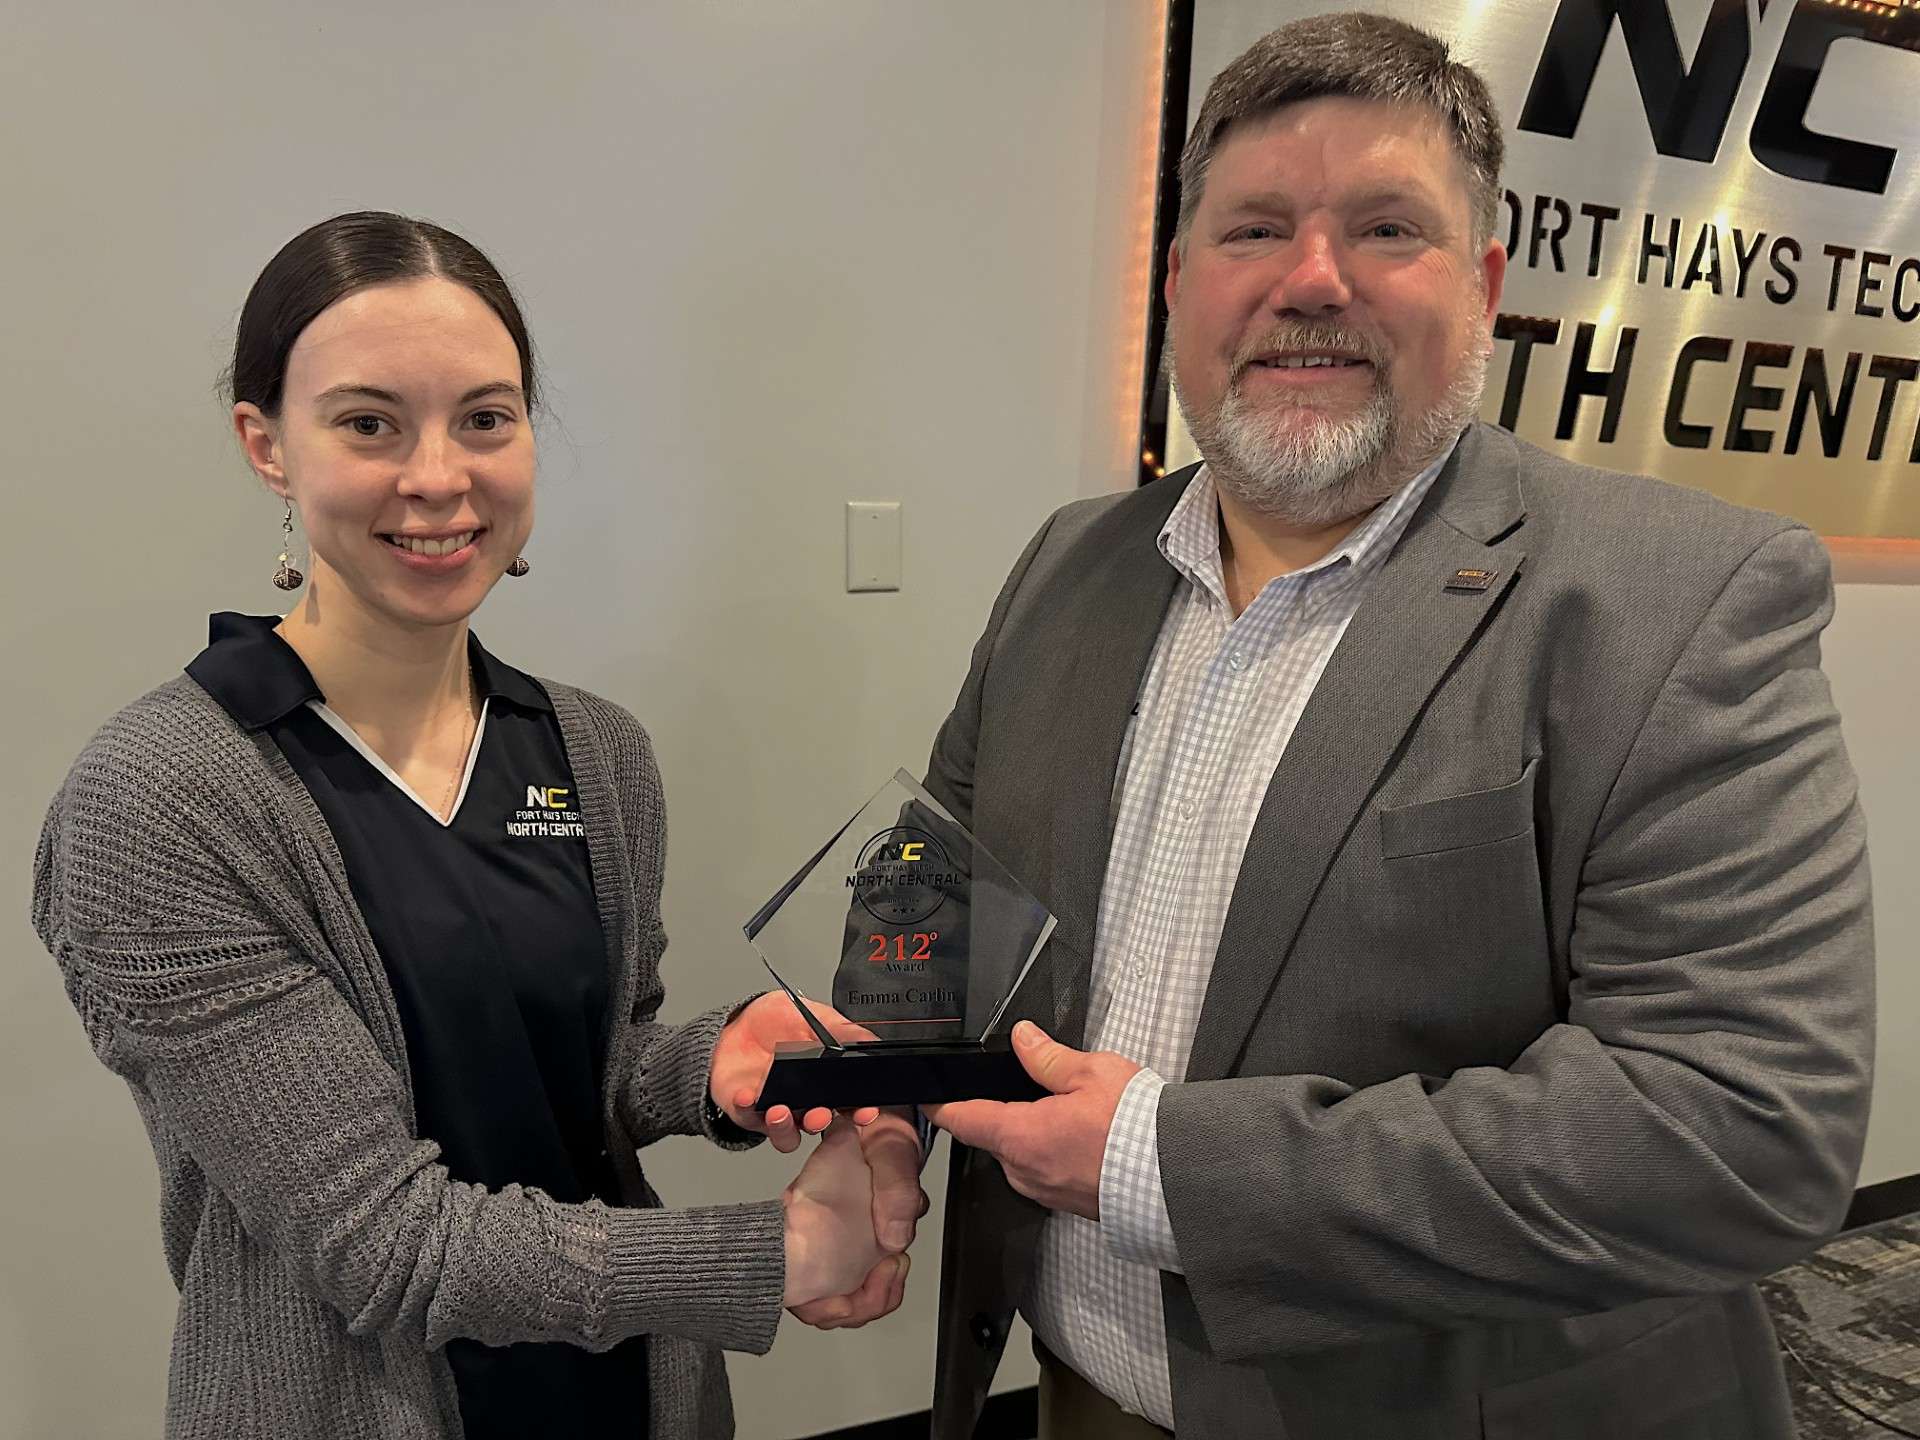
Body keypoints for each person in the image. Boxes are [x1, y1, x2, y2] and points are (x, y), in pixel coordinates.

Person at [920, 14, 1875, 1439]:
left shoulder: (1677, 602)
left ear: (1483, 283)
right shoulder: (1072, 562)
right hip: (1081, 1396)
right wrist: (867, 1105)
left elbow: (1738, 1126)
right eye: (1254, 230)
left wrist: (1159, 1165)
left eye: (1386, 229)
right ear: (1180, 283)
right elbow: (936, 890)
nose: (1312, 281)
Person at [29, 211, 923, 1440]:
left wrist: (715, 1068)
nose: (440, 477)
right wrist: (779, 1251)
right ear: (266, 446)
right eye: (368, 423)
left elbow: (587, 1071)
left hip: (629, 1399)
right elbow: (386, 1246)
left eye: (486, 419)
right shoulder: (162, 800)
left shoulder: (594, 752)